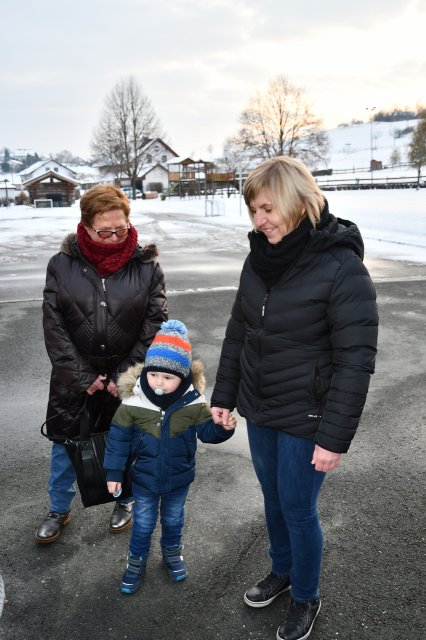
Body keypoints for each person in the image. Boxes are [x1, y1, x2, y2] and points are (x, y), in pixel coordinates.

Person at [210, 157, 378, 640]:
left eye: (267, 208)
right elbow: (239, 329)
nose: (259, 220)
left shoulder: (341, 266)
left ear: (298, 203)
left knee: (298, 508)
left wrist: (333, 438)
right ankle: (281, 571)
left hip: (309, 414)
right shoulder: (257, 258)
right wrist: (225, 395)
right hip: (261, 406)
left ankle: (306, 594)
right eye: (252, 211)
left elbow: (355, 360)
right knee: (273, 498)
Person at [36, 184, 167, 544]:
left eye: (120, 229)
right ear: (85, 226)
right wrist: (83, 377)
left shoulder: (145, 265)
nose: (113, 237)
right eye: (104, 230)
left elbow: (154, 325)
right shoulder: (62, 265)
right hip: (72, 377)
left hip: (127, 377)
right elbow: (54, 325)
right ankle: (59, 509)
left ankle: (123, 500)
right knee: (66, 445)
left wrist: (125, 375)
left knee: (124, 443)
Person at [104, 319, 237, 594]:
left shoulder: (193, 402)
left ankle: (172, 554)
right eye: (154, 375)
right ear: (147, 371)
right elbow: (117, 441)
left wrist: (223, 429)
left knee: (174, 519)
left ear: (184, 377)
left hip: (179, 477)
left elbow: (207, 433)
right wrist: (114, 473)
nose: (159, 382)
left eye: (168, 377)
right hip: (144, 478)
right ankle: (136, 563)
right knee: (142, 523)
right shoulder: (134, 402)